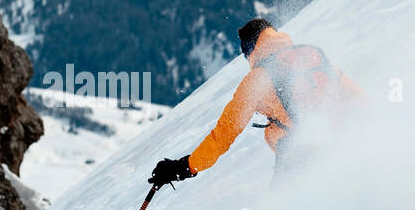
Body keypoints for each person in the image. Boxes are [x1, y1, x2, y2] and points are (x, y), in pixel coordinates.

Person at [149, 18, 363, 186]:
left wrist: (185, 167)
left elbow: (225, 133)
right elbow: (357, 97)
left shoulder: (258, 79)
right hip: (349, 144)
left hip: (304, 157)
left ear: (250, 48)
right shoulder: (311, 59)